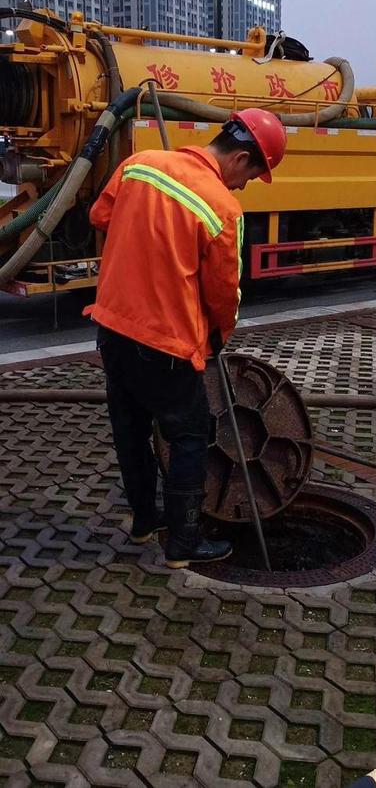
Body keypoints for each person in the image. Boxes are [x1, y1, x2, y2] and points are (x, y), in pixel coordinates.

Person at [83, 109, 286, 569]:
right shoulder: (222, 207)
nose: (243, 187)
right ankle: (184, 543)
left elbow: (100, 216)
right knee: (191, 434)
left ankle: (143, 521)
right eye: (251, 177)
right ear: (237, 159)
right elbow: (222, 294)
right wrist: (220, 336)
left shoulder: (139, 164)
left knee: (130, 428)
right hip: (166, 345)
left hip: (112, 328)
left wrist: (147, 236)